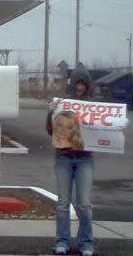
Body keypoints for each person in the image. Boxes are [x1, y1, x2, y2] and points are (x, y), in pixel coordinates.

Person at [46, 63, 95, 256]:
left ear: (88, 85)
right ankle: (62, 241)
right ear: (72, 84)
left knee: (84, 203)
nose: (80, 87)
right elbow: (51, 131)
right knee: (63, 203)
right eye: (77, 83)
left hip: (85, 159)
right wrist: (50, 113)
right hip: (64, 158)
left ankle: (86, 243)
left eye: (83, 84)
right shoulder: (62, 104)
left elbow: (103, 132)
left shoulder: (95, 105)